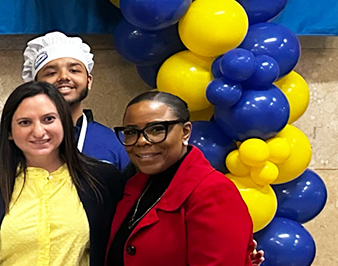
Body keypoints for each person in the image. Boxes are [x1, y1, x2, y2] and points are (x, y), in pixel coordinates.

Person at [0, 81, 125, 266]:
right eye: (25, 122)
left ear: (64, 123)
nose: (38, 131)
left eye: (48, 119)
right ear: (9, 132)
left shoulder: (102, 179)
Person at [105, 91, 254, 266]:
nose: (141, 141)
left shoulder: (213, 191)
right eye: (131, 132)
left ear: (185, 132)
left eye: (156, 129)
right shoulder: (133, 185)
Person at [0, 32, 128, 169]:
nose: (64, 77)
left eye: (74, 70)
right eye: (51, 73)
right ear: (35, 84)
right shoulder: (1, 147)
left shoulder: (117, 144)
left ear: (89, 81)